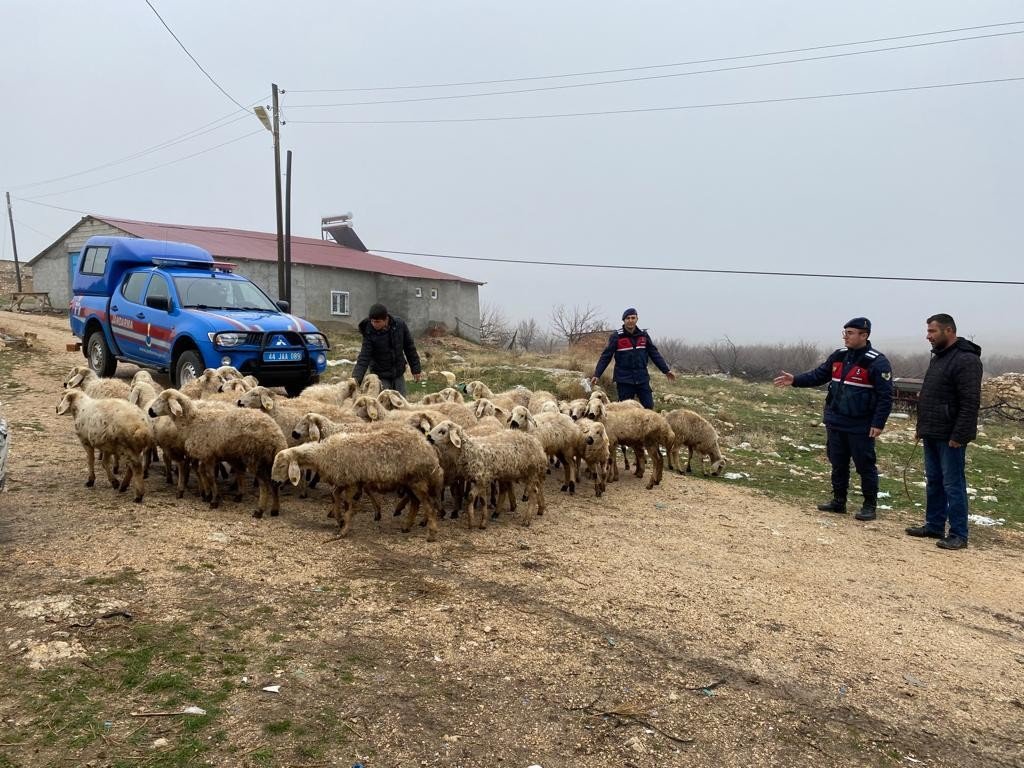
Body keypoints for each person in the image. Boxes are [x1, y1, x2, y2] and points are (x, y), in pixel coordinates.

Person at [773, 317, 893, 521]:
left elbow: (885, 396)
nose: (845, 336)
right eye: (844, 332)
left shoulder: (877, 362)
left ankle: (869, 506)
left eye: (850, 333)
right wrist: (795, 380)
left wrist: (878, 423)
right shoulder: (839, 356)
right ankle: (839, 502)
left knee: (865, 465)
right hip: (836, 420)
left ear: (864, 335)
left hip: (860, 424)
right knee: (838, 462)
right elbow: (819, 375)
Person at [905, 314, 982, 551]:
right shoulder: (938, 358)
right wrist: (921, 427)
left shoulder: (966, 360)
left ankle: (959, 533)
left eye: (932, 331)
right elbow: (930, 396)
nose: (928, 336)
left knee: (953, 484)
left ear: (949, 331)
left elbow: (970, 403)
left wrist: (959, 435)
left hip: (951, 436)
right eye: (928, 331)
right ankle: (934, 525)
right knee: (934, 481)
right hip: (932, 431)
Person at [590, 308, 676, 409]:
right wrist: (597, 374)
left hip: (642, 378)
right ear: (624, 320)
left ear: (637, 319)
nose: (630, 320)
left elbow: (654, 354)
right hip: (624, 380)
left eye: (633, 318)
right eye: (628, 318)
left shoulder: (643, 335)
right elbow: (606, 356)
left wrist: (666, 370)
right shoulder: (617, 336)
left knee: (648, 407)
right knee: (625, 410)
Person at [352, 303, 423, 396]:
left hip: (398, 373)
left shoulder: (399, 325)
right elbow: (364, 357)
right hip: (380, 375)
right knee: (383, 404)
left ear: (386, 319)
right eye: (372, 321)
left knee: (401, 403)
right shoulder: (369, 332)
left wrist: (416, 369)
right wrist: (355, 380)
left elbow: (409, 347)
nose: (374, 324)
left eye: (377, 322)